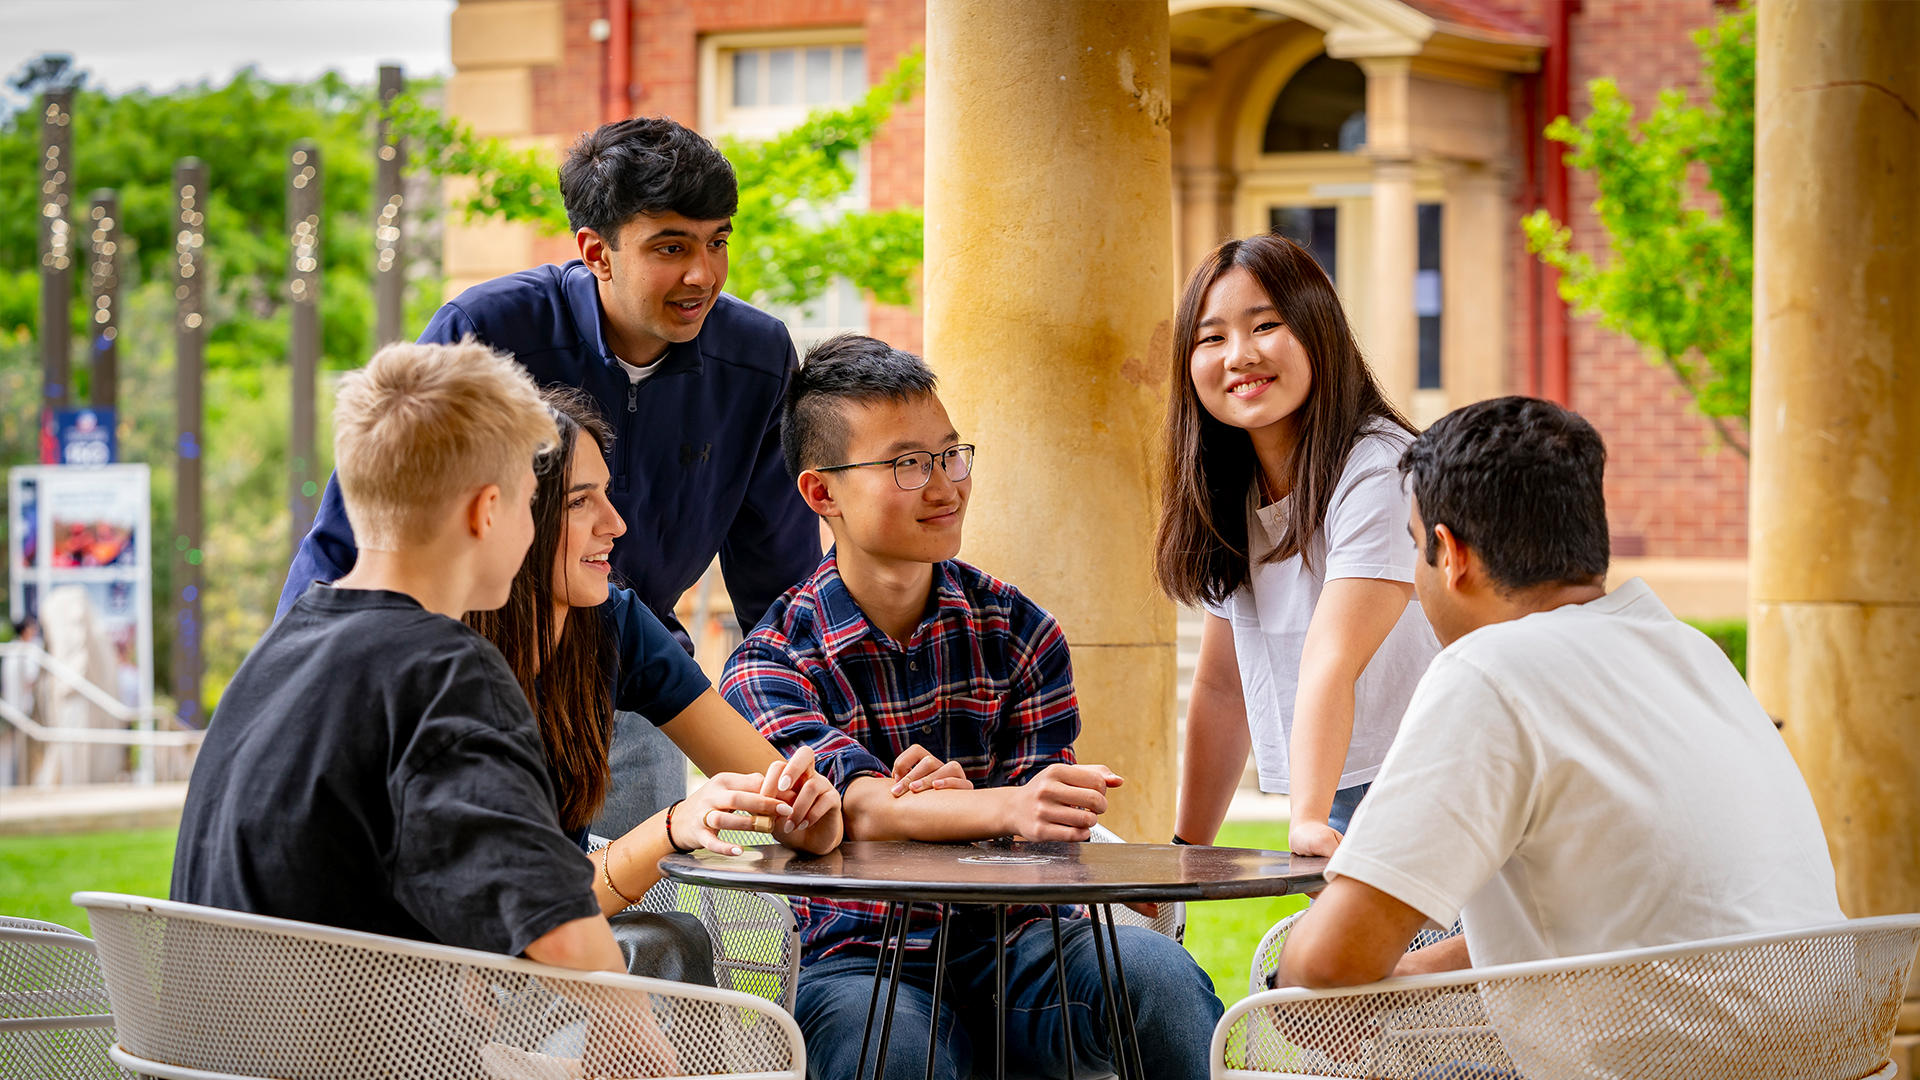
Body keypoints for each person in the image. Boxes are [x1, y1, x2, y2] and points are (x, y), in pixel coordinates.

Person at [172, 341, 812, 988]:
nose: (613, 525)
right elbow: (558, 933)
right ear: (487, 510)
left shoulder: (275, 655)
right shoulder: (445, 671)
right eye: (534, 498)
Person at [276, 116, 823, 837]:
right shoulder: (484, 333)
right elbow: (363, 527)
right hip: (469, 678)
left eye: (718, 241)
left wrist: (819, 750)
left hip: (632, 682)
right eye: (671, 247)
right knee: (528, 920)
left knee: (642, 925)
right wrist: (295, 690)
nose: (704, 274)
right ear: (597, 252)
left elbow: (779, 591)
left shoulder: (756, 359)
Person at [721, 334, 1224, 1080]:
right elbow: (853, 809)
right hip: (860, 956)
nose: (945, 485)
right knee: (885, 1046)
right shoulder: (769, 662)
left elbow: (1045, 842)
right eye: (906, 464)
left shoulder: (1020, 634)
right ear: (821, 493)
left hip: (1021, 946)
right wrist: (1001, 808)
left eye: (951, 454)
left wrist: (993, 810)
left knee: (1161, 980)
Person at [1276, 396, 1843, 992]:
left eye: (1418, 547)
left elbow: (1319, 971)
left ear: (1454, 556)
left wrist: (1286, 968)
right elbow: (1636, 923)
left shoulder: (1488, 672)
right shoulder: (1692, 652)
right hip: (1829, 1050)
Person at [462, 386, 842, 978]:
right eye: (580, 502)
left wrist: (810, 810)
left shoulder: (613, 624)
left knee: (665, 940)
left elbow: (780, 791)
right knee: (658, 944)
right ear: (506, 515)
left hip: (545, 948)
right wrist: (668, 829)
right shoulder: (436, 659)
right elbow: (504, 915)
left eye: (607, 496)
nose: (615, 525)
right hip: (421, 976)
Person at [1157, 233, 1440, 857]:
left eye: (1266, 326)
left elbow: (1331, 655)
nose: (1240, 355)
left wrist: (1308, 819)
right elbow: (1222, 687)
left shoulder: (1378, 467)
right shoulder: (1230, 486)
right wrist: (1186, 852)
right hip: (1340, 778)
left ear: (1320, 332)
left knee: (1348, 960)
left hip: (1422, 779)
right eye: (1212, 338)